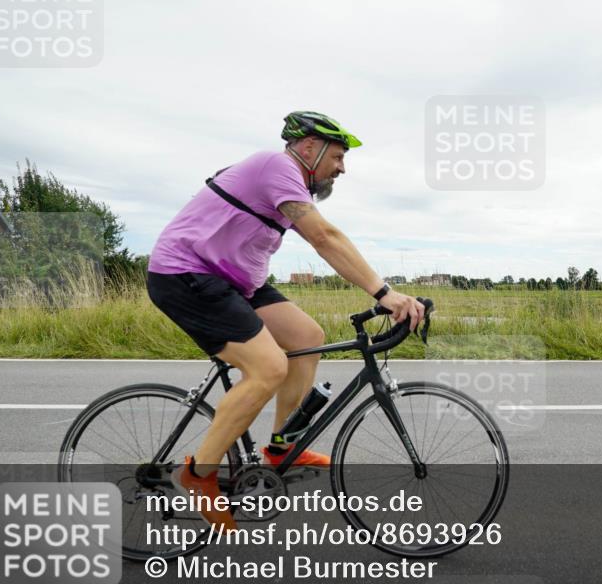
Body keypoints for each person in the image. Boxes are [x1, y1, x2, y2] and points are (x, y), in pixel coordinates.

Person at [146, 111, 426, 530]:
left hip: (233, 281)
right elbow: (324, 238)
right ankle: (198, 475)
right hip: (185, 274)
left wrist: (380, 292)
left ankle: (280, 446)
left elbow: (327, 241)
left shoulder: (286, 185)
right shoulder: (277, 167)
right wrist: (385, 293)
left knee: (306, 336)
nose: (343, 168)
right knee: (269, 368)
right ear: (309, 148)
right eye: (338, 156)